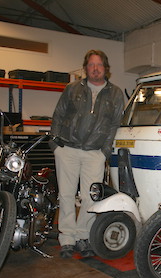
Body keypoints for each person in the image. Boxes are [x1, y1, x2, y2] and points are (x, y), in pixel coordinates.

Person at [50, 49, 124, 258]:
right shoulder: (71, 89)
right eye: (91, 65)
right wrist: (55, 145)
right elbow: (58, 115)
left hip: (95, 153)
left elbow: (114, 125)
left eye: (99, 65)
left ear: (106, 68)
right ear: (85, 68)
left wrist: (105, 152)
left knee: (90, 197)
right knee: (66, 195)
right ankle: (66, 239)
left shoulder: (116, 93)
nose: (95, 69)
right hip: (67, 149)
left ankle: (83, 236)